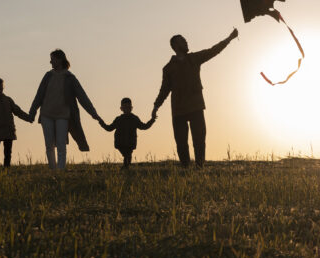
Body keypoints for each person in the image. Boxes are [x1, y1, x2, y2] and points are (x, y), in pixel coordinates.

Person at [152, 29, 238, 167]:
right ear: (175, 46)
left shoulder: (194, 58)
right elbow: (164, 90)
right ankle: (185, 167)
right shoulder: (168, 68)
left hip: (196, 106)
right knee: (181, 142)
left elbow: (213, 51)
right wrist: (156, 106)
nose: (186, 42)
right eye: (182, 40)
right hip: (178, 109)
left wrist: (229, 38)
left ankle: (199, 166)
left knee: (199, 139)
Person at [28, 49, 101, 170]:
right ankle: (53, 170)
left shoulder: (70, 78)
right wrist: (32, 112)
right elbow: (39, 95)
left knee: (61, 144)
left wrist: (93, 113)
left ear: (60, 59)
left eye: (53, 59)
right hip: (47, 114)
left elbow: (82, 97)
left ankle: (60, 170)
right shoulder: (48, 76)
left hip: (63, 115)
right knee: (49, 144)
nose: (50, 61)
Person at [0, 77, 31, 167]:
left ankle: (6, 169)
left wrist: (28, 118)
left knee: (8, 152)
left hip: (8, 130)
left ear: (3, 87)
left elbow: (17, 111)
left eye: (1, 88)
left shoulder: (8, 100)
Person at [99, 97, 156, 169]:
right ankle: (126, 166)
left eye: (128, 107)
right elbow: (109, 128)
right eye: (125, 107)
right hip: (120, 143)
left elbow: (144, 126)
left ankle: (126, 167)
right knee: (127, 155)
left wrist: (152, 120)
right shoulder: (118, 119)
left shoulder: (134, 118)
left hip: (130, 142)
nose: (127, 109)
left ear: (131, 108)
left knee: (127, 154)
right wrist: (101, 122)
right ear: (121, 108)